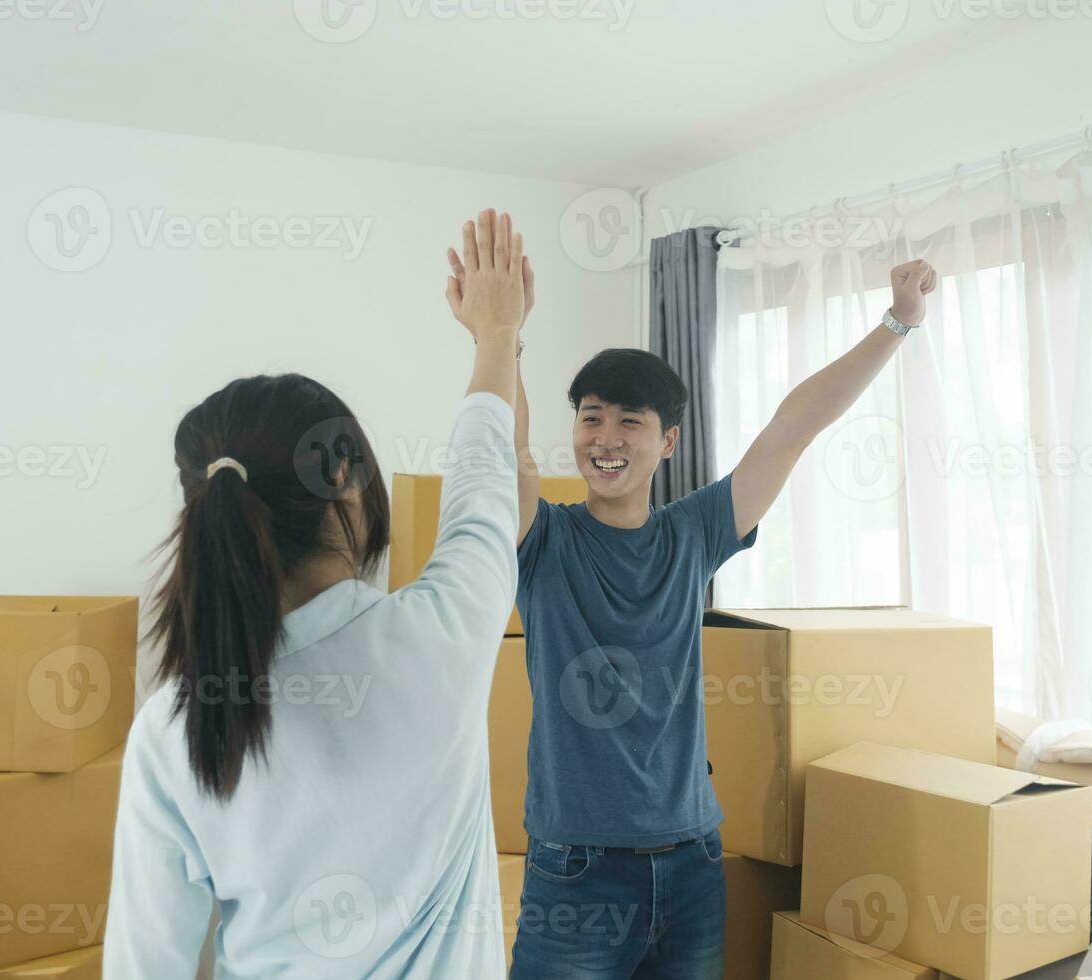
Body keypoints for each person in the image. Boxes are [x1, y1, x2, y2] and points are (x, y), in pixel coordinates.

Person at [444, 239, 939, 978]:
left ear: (667, 440)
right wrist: (503, 335)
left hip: (692, 864)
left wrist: (898, 323)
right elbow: (507, 452)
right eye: (590, 419)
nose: (605, 440)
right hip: (576, 872)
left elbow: (794, 426)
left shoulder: (696, 533)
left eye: (629, 423)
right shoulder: (542, 541)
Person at [105, 210, 530, 977]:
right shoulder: (443, 639)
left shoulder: (173, 731)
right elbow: (485, 481)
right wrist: (496, 334)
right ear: (342, 475)